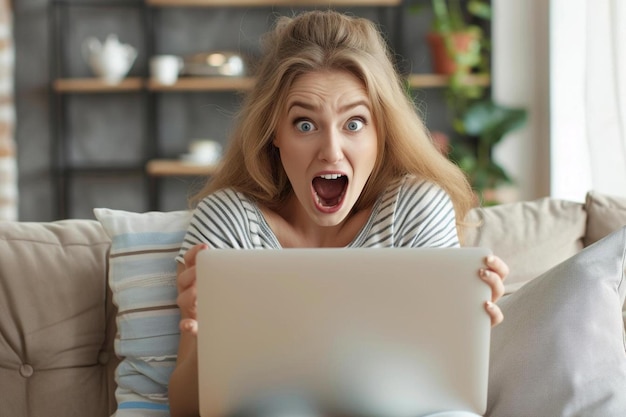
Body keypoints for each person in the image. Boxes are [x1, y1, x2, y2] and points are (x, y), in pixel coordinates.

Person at [169, 9, 508, 417]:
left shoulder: (416, 209)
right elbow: (185, 408)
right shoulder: (227, 223)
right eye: (306, 125)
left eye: (354, 123)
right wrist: (204, 328)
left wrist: (467, 333)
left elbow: (447, 396)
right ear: (275, 132)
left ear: (381, 132)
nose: (331, 151)